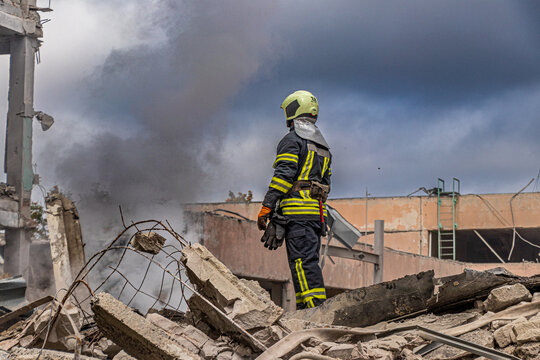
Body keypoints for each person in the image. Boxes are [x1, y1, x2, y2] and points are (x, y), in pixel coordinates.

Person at [257, 90, 332, 309]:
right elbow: (325, 185)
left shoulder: (292, 141)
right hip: (316, 216)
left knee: (301, 264)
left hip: (298, 217)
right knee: (308, 264)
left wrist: (267, 208)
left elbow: (283, 177)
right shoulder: (323, 147)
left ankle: (315, 312)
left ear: (293, 111)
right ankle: (305, 311)